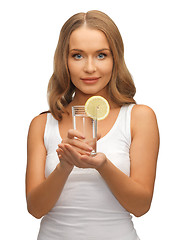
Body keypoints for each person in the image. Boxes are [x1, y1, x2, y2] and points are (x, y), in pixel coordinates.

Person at [26, 10, 159, 240]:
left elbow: (141, 206)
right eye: (78, 55)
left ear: (115, 59)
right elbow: (35, 209)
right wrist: (64, 166)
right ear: (64, 61)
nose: (89, 68)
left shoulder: (139, 118)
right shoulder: (42, 124)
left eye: (101, 55)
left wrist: (102, 165)